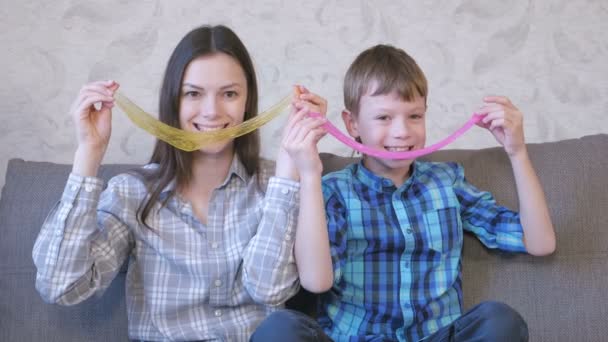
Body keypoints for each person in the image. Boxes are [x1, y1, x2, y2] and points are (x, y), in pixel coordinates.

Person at [32, 24, 332, 342]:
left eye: (229, 94)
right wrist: (88, 154)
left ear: (247, 101)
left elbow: (270, 292)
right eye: (193, 94)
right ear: (173, 102)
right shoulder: (131, 193)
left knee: (284, 329)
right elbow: (60, 286)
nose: (212, 111)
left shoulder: (278, 185)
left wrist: (288, 172)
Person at [315, 44, 556, 341]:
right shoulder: (333, 190)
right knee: (283, 326)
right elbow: (318, 280)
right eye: (384, 118)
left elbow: (540, 243)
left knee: (501, 320)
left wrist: (517, 152)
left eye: (414, 116)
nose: (403, 131)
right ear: (352, 124)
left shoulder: (447, 181)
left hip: (436, 336)